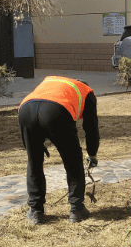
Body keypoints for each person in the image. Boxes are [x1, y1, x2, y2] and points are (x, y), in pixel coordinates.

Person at [18, 76, 100, 224]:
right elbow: (91, 128)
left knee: (34, 161)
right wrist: (92, 154)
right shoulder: (87, 92)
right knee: (73, 161)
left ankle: (36, 212)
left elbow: (40, 104)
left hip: (25, 110)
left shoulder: (52, 81)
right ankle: (76, 209)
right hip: (55, 111)